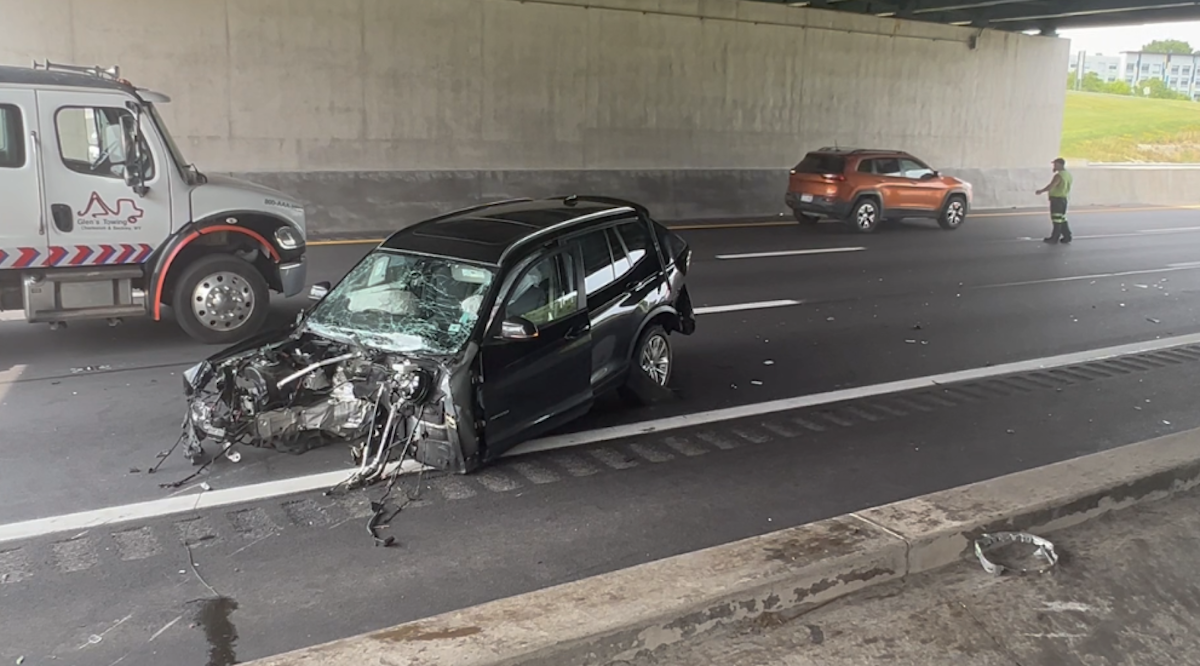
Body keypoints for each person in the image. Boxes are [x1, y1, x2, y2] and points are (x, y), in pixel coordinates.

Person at [1035, 158, 1073, 244]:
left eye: (1055, 164)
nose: (1054, 166)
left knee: (1056, 220)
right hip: (1063, 199)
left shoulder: (1059, 176)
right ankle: (1067, 236)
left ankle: (1054, 238)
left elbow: (1052, 185)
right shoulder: (1068, 175)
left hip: (1057, 200)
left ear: (1059, 164)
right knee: (1062, 219)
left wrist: (1041, 191)